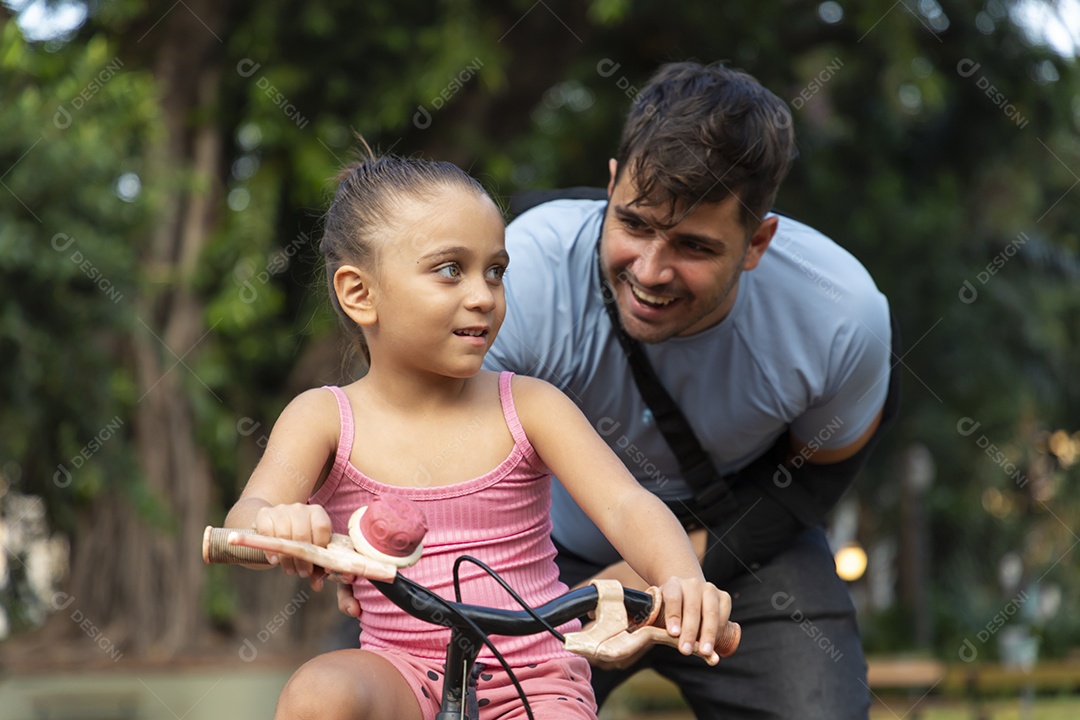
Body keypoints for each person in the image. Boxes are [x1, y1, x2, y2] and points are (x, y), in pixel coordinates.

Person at [226, 152, 736, 720]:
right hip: (402, 670)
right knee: (319, 692)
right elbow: (247, 516)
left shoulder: (529, 405)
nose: (483, 295)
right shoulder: (323, 418)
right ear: (359, 294)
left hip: (537, 676)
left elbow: (625, 505)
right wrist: (275, 524)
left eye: (495, 271)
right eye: (450, 269)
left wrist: (682, 579)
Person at [479, 62, 899, 719]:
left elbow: (813, 480)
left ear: (756, 241)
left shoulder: (840, 317)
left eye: (693, 246)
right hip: (539, 550)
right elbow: (436, 444)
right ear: (613, 184)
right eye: (635, 224)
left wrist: (658, 572)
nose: (649, 272)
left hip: (737, 548)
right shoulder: (521, 274)